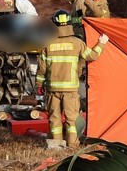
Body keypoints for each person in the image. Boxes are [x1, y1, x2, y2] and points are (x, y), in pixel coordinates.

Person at [38, 10, 108, 148]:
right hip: (70, 90)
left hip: (52, 89)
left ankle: (57, 145)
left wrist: (39, 85)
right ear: (69, 23)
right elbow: (91, 56)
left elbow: (42, 68)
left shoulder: (47, 43)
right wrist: (102, 43)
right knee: (72, 119)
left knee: (54, 118)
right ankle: (72, 145)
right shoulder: (77, 43)